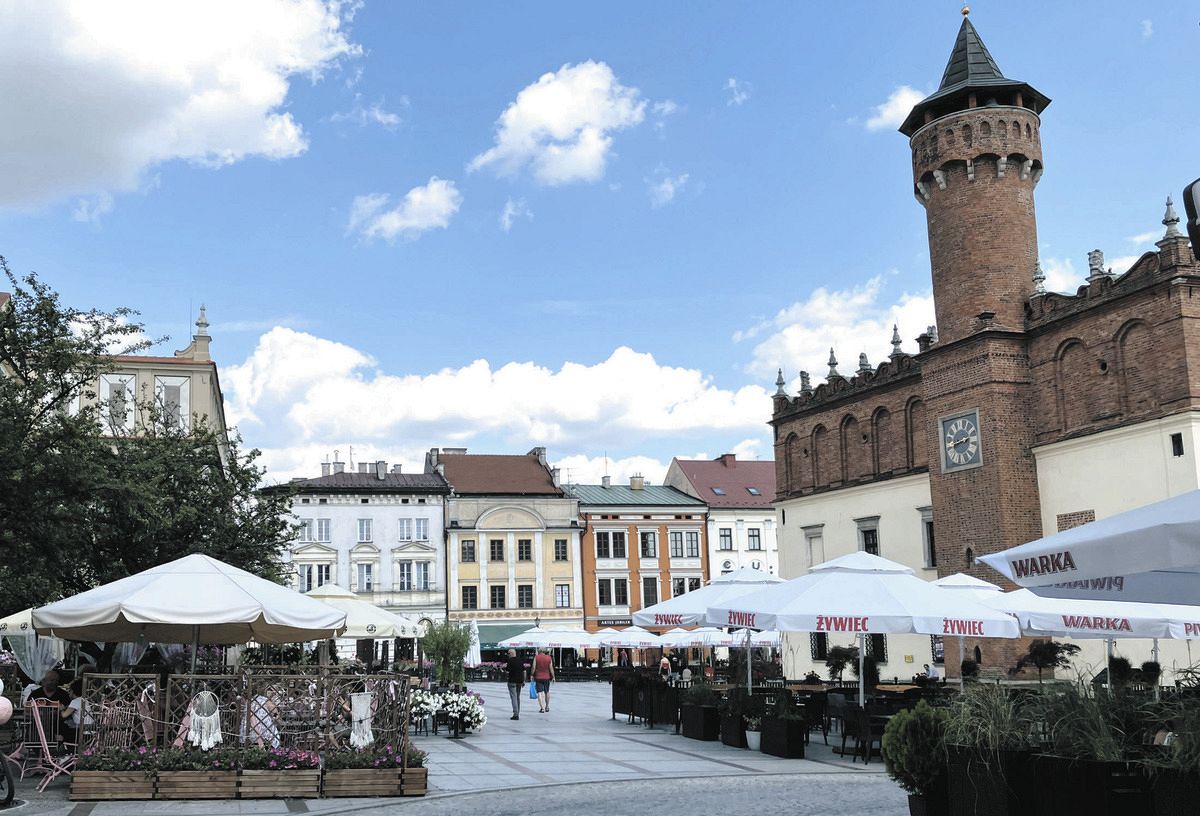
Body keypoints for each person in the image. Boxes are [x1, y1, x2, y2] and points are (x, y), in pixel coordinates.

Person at [504, 648, 526, 720]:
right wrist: (524, 680)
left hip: (512, 681)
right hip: (519, 681)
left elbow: (507, 672)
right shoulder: (520, 660)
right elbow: (524, 671)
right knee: (517, 697)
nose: (508, 655)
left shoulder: (510, 661)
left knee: (514, 697)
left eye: (508, 653)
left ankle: (516, 714)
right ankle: (517, 712)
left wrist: (506, 677)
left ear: (512, 653)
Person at [531, 648, 554, 713]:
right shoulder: (549, 658)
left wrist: (532, 675)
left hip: (538, 677)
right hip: (547, 677)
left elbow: (533, 667)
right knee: (547, 692)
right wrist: (553, 677)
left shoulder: (536, 657)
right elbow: (551, 668)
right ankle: (547, 706)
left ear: (539, 651)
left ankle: (542, 708)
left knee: (539, 692)